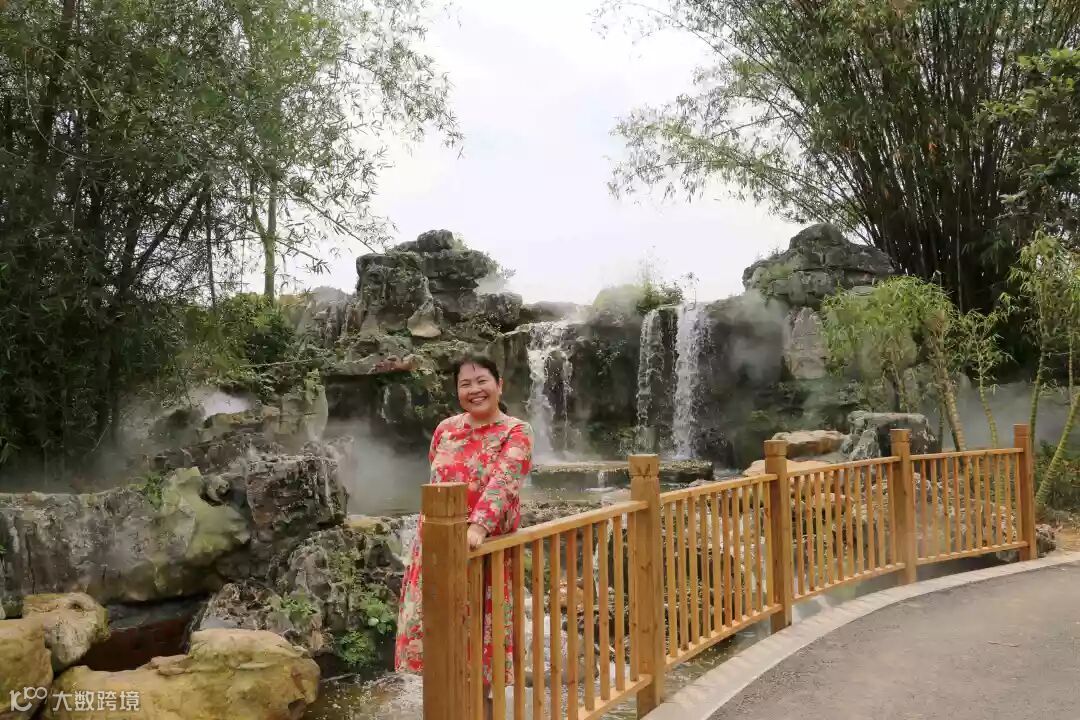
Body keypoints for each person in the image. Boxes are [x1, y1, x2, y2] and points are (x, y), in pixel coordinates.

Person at [394, 353, 534, 712]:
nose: (475, 390)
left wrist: (477, 528)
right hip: (436, 550)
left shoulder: (517, 431)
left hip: (483, 552)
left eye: (482, 381)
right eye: (465, 384)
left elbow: (504, 482)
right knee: (441, 643)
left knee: (479, 648)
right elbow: (435, 478)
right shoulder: (445, 429)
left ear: (499, 385)